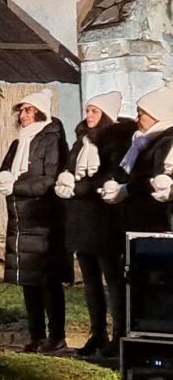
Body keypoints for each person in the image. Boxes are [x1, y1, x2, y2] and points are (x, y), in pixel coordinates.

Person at [54, 92, 135, 357]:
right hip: (81, 220)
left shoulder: (116, 141)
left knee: (113, 280)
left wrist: (77, 189)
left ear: (106, 115)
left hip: (105, 220)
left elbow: (111, 176)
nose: (88, 115)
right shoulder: (81, 140)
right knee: (90, 281)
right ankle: (97, 332)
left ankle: (120, 332)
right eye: (87, 110)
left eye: (94, 111)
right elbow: (70, 167)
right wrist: (65, 178)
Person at [0, 89, 70, 353]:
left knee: (48, 280)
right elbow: (6, 169)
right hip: (20, 218)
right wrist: (3, 178)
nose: (23, 115)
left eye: (28, 110)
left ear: (40, 112)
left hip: (43, 218)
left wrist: (16, 186)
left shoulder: (52, 141)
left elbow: (49, 179)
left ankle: (57, 335)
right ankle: (36, 334)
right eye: (21, 111)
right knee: (28, 280)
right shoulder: (18, 143)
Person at [99, 87, 173, 354]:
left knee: (156, 286)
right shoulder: (140, 142)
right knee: (137, 285)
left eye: (143, 113)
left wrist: (128, 189)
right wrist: (114, 185)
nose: (138, 117)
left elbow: (156, 179)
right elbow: (128, 173)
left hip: (155, 225)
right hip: (134, 224)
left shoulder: (165, 141)